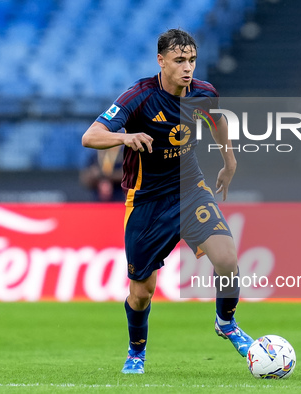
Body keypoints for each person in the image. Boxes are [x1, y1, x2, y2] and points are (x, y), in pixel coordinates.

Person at [81, 28, 253, 374]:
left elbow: (217, 121)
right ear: (161, 61)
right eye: (179, 61)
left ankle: (226, 323)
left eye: (191, 60)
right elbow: (90, 136)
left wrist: (229, 161)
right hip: (147, 202)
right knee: (142, 292)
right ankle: (135, 353)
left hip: (190, 190)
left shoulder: (203, 92)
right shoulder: (139, 97)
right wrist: (125, 137)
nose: (187, 67)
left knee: (227, 258)